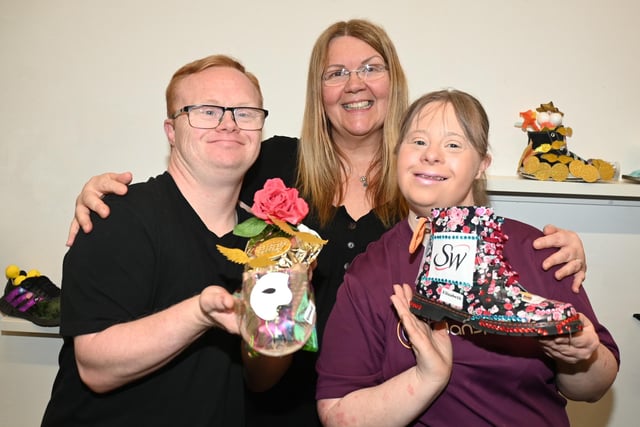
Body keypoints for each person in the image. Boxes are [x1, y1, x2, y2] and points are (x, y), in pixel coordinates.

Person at [63, 20, 589, 426]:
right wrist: (101, 194)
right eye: (335, 73)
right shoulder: (269, 165)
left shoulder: (422, 181)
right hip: (267, 407)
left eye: (370, 67)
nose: (353, 84)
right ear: (319, 91)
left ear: (393, 81)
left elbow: (480, 238)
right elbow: (199, 174)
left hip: (390, 407)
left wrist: (554, 250)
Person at [315, 89, 619, 427]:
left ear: (482, 164)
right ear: (397, 154)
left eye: (453, 145)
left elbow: (593, 388)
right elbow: (336, 413)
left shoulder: (538, 249)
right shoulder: (370, 272)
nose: (430, 155)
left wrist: (579, 356)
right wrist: (426, 378)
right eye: (417, 142)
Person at [41, 54, 288, 426]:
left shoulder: (267, 243)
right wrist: (200, 313)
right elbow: (94, 366)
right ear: (171, 131)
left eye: (245, 112)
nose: (228, 124)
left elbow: (259, 381)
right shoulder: (118, 215)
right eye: (207, 111)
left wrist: (282, 327)